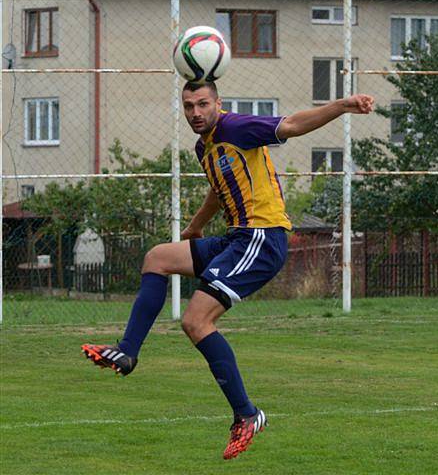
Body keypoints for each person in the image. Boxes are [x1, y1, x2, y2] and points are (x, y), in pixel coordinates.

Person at [82, 82, 374, 459]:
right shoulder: (205, 146)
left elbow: (293, 125)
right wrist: (195, 227)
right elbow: (220, 191)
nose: (195, 112)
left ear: (218, 103)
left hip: (261, 237)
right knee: (157, 258)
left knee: (196, 321)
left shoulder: (238, 128)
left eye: (203, 104)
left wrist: (344, 104)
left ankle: (247, 415)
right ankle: (127, 353)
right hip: (235, 237)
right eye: (188, 106)